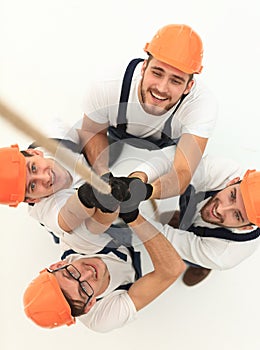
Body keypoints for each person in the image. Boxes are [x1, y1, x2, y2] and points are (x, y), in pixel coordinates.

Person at [79, 23, 218, 200]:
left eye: (175, 81)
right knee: (89, 156)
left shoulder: (202, 105)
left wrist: (145, 191)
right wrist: (104, 176)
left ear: (188, 87)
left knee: (172, 162)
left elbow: (182, 172)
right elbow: (92, 132)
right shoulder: (107, 84)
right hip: (115, 131)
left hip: (167, 146)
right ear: (144, 67)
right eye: (157, 73)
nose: (161, 88)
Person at [23, 213, 186, 332]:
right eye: (84, 290)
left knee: (58, 220)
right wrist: (134, 216)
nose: (87, 273)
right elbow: (172, 269)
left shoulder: (74, 238)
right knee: (180, 254)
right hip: (138, 263)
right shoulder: (102, 318)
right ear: (90, 305)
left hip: (112, 233)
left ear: (59, 264)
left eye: (71, 274)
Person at [146, 154, 260, 286]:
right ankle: (186, 225)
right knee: (187, 196)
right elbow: (172, 168)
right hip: (195, 207)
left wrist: (132, 217)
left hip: (209, 245)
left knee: (190, 253)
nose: (220, 209)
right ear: (233, 181)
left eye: (237, 215)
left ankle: (202, 265)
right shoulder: (221, 169)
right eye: (232, 196)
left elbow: (160, 238)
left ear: (245, 227)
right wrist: (142, 183)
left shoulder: (224, 253)